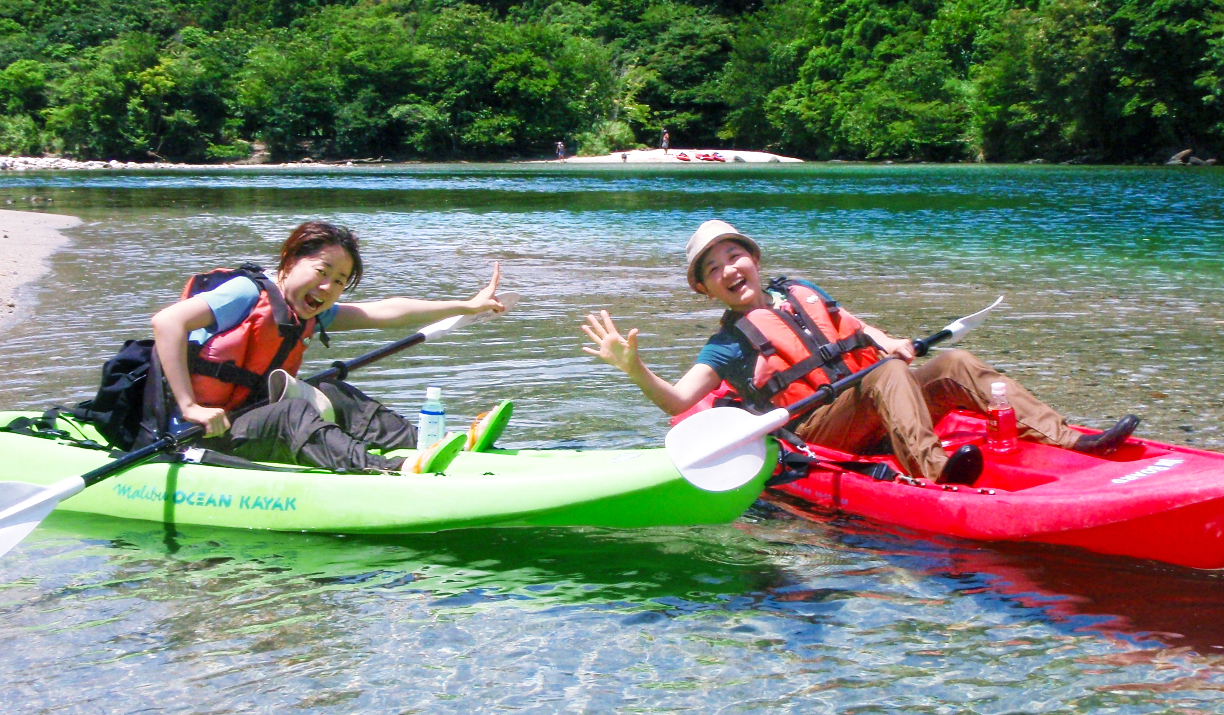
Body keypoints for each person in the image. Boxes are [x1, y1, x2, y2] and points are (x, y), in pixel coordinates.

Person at [582, 220, 1138, 485]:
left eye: (735, 254)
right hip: (826, 430)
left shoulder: (799, 290)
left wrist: (887, 339)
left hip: (876, 399)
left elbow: (852, 326)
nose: (729, 267)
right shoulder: (728, 344)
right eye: (713, 267)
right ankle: (937, 470)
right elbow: (678, 400)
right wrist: (634, 368)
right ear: (705, 289)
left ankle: (1072, 438)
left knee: (954, 364)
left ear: (754, 258)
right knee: (885, 376)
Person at [150, 221, 506, 475]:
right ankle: (385, 469)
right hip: (203, 433)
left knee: (334, 391)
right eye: (322, 271)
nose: (327, 287)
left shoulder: (308, 313)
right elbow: (167, 323)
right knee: (292, 413)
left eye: (339, 281)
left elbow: (386, 311)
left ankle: (428, 445)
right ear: (289, 261)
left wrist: (467, 306)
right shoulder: (244, 292)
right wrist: (190, 406)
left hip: (248, 418)